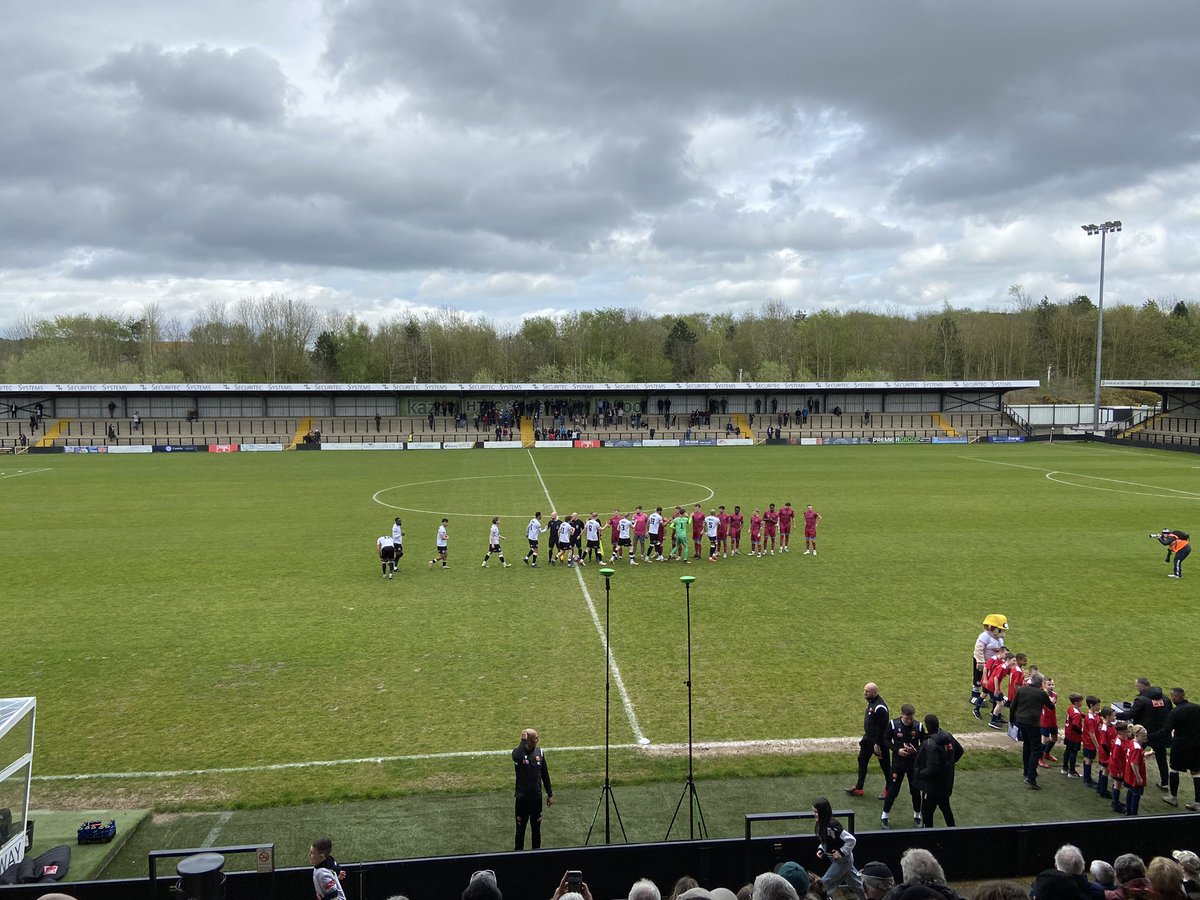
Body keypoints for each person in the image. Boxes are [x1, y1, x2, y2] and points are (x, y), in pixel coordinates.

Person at [1116, 677, 1173, 789]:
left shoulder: (1141, 700)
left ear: (1142, 686)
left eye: (1137, 686)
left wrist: (1115, 715)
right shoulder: (1165, 699)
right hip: (1159, 735)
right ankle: (1165, 782)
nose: (1136, 688)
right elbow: (1170, 713)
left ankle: (1127, 777)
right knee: (1161, 759)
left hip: (1142, 734)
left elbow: (1131, 714)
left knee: (1132, 756)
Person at [1154, 687, 1200, 809]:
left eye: (1172, 696)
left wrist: (1149, 736)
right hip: (1196, 745)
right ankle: (1198, 803)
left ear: (1178, 697)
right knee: (1196, 772)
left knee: (1174, 769)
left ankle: (1173, 797)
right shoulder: (1197, 707)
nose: (1171, 698)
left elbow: (1165, 731)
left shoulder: (1175, 712)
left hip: (1180, 745)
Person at [811, 797, 867, 900]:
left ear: (823, 812)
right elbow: (827, 841)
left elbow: (851, 840)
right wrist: (822, 850)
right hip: (839, 860)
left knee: (823, 883)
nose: (814, 814)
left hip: (842, 861)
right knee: (856, 884)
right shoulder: (821, 824)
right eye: (814, 811)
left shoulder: (833, 826)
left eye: (816, 812)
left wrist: (841, 852)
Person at [881, 703, 924, 829]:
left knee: (915, 790)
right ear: (901, 715)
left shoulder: (919, 726)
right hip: (898, 763)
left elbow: (924, 744)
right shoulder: (893, 724)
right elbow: (886, 740)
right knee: (893, 790)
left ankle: (917, 815)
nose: (909, 721)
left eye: (911, 718)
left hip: (913, 764)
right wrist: (897, 750)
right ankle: (884, 816)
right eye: (906, 718)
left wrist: (914, 750)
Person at [916, 713, 964, 827]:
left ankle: (929, 838)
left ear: (927, 726)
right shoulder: (948, 736)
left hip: (932, 787)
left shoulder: (929, 743)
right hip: (946, 783)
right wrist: (949, 764)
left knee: (927, 814)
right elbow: (960, 751)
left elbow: (931, 769)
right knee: (946, 809)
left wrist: (918, 773)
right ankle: (953, 833)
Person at [1011, 672, 1055, 789]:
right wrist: (1052, 701)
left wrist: (1012, 721)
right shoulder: (1041, 693)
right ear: (1041, 683)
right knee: (1035, 749)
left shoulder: (1021, 690)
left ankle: (1027, 771)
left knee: (1027, 746)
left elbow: (1013, 706)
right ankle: (1031, 776)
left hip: (1021, 721)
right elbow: (1051, 706)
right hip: (1033, 723)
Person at [847, 683, 890, 798]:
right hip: (868, 739)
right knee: (862, 759)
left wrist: (877, 744)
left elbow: (883, 728)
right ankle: (859, 787)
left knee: (885, 765)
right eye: (864, 690)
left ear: (874, 693)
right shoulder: (872, 703)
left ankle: (889, 788)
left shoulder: (880, 708)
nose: (864, 693)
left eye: (867, 691)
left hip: (879, 742)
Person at [513, 727, 553, 850]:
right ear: (529, 740)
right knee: (520, 831)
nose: (538, 739)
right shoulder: (518, 753)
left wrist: (549, 793)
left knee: (536, 831)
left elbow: (545, 774)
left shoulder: (540, 753)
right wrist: (523, 740)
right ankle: (517, 856)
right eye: (535, 738)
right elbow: (517, 758)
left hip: (536, 799)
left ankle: (536, 855)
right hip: (522, 800)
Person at [972, 614, 1008, 719]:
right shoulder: (985, 636)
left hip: (993, 664)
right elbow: (978, 649)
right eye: (1000, 630)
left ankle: (992, 695)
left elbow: (1001, 652)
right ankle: (975, 694)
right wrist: (980, 661)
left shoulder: (999, 640)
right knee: (979, 678)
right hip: (982, 662)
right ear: (992, 628)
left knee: (992, 680)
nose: (1003, 633)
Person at [1123, 725, 1149, 816]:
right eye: (1143, 736)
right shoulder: (1137, 748)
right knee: (1135, 795)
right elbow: (1134, 763)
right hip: (1134, 775)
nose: (1145, 738)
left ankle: (1128, 811)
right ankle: (1133, 815)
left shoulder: (1132, 742)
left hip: (1129, 773)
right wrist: (1138, 777)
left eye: (1146, 736)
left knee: (1130, 792)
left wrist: (1147, 754)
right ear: (1136, 735)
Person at [1061, 692, 1085, 778]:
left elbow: (1080, 714)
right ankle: (1072, 771)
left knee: (1067, 750)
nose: (1081, 703)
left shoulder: (1070, 708)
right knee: (1073, 753)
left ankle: (1064, 768)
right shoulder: (1076, 714)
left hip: (1068, 733)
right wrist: (1082, 732)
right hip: (1074, 736)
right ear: (1076, 702)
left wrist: (1086, 716)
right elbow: (1075, 726)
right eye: (1080, 701)